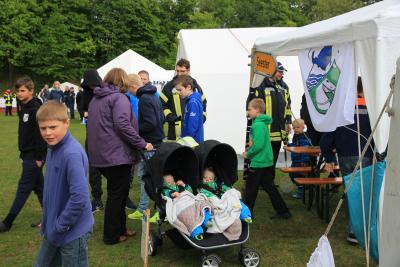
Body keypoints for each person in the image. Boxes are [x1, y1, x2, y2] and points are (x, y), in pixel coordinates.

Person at [87, 68, 153, 245]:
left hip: (101, 155)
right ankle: (111, 235)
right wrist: (142, 143)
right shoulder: (118, 98)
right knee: (117, 195)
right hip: (115, 156)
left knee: (121, 192)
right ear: (122, 81)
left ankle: (121, 229)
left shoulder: (96, 98)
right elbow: (123, 125)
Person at [33, 101, 93, 267]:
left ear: (66, 123)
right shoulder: (52, 147)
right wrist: (49, 221)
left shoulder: (71, 153)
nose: (48, 133)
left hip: (71, 232)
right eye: (43, 128)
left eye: (53, 127)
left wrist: (61, 225)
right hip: (53, 228)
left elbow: (79, 198)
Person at [320, 77, 374, 244]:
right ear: (364, 89)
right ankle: (356, 231)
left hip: (343, 155)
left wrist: (328, 158)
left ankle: (353, 229)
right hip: (364, 153)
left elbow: (327, 135)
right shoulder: (371, 106)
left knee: (351, 192)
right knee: (363, 194)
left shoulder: (340, 107)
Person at [0, 76, 47, 232]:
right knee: (40, 188)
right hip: (26, 155)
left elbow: (41, 135)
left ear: (31, 91)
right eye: (17, 91)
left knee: (23, 188)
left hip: (34, 156)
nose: (19, 94)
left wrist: (40, 157)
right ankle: (50, 217)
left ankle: (7, 222)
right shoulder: (24, 106)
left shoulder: (35, 108)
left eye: (22, 90)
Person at [243, 98, 291, 219]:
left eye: (250, 109)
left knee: (250, 190)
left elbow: (258, 145)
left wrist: (248, 154)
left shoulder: (258, 125)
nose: (248, 111)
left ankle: (246, 215)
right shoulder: (261, 123)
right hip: (266, 161)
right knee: (270, 187)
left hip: (259, 162)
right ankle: (283, 211)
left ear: (257, 110)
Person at [126, 74, 164, 223]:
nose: (129, 94)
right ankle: (143, 209)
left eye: (129, 90)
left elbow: (152, 122)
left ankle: (160, 211)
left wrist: (135, 129)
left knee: (152, 179)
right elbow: (161, 119)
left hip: (150, 143)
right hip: (155, 141)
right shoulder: (153, 96)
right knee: (145, 177)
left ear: (132, 87)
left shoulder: (144, 100)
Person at [255, 62, 292, 179]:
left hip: (279, 131)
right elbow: (255, 106)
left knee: (273, 157)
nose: (281, 74)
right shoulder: (261, 85)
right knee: (263, 157)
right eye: (279, 71)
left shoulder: (284, 87)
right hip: (265, 131)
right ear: (271, 71)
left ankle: (269, 180)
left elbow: (288, 107)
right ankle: (261, 181)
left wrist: (288, 122)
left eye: (282, 72)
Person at [160, 58, 207, 140]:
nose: (179, 74)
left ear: (188, 71)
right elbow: (161, 104)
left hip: (192, 133)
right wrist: (170, 116)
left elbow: (204, 105)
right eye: (177, 71)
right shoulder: (169, 86)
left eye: (182, 71)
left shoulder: (195, 86)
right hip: (174, 130)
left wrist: (200, 120)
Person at [80, 70, 105, 212]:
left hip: (105, 136)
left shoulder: (104, 93)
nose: (92, 88)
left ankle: (123, 197)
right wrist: (86, 113)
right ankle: (97, 198)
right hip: (91, 136)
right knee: (93, 168)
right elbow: (83, 110)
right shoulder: (85, 94)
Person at [174, 75, 204, 142]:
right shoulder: (191, 100)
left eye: (180, 90)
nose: (178, 93)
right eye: (177, 90)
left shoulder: (193, 102)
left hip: (192, 143)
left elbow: (192, 127)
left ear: (189, 87)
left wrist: (185, 141)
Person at [287, 119, 312, 199]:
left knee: (299, 176)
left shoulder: (304, 137)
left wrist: (304, 161)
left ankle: (301, 192)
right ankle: (304, 187)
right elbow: (295, 146)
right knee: (292, 174)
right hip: (295, 160)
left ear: (303, 127)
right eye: (294, 128)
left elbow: (305, 150)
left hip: (301, 161)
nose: (295, 129)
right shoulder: (296, 136)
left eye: (298, 127)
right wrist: (289, 144)